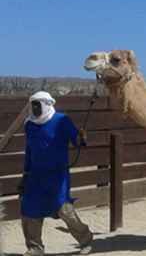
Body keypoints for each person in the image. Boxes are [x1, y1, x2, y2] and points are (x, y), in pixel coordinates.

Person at [19, 92, 93, 256]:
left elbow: (77, 141)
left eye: (38, 104)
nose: (35, 108)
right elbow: (29, 151)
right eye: (33, 104)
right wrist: (25, 175)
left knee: (64, 210)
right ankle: (35, 248)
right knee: (29, 210)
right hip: (35, 177)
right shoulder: (29, 124)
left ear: (47, 104)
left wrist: (81, 138)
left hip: (57, 177)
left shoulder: (61, 120)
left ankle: (86, 239)